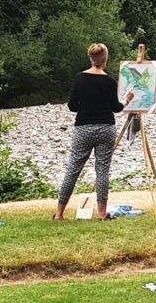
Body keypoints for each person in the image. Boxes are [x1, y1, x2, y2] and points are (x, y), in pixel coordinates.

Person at [53, 43, 134, 220]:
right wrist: (126, 100)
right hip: (106, 128)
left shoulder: (79, 78)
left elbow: (73, 106)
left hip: (83, 127)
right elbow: (116, 108)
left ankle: (59, 213)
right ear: (105, 59)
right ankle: (102, 213)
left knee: (73, 169)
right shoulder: (110, 81)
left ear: (90, 58)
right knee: (102, 170)